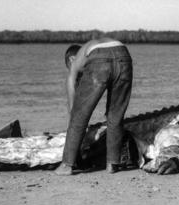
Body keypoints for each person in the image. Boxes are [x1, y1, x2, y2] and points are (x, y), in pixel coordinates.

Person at [54, 38, 133, 175]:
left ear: (72, 59)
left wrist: (75, 127)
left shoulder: (76, 61)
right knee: (116, 115)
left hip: (100, 60)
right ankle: (112, 164)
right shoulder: (90, 46)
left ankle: (67, 165)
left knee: (79, 116)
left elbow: (75, 110)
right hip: (124, 55)